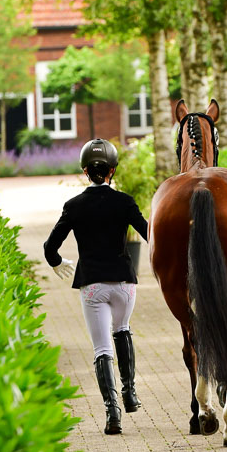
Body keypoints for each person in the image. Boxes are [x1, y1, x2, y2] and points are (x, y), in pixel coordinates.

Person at [44, 138, 149, 435]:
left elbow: (50, 246)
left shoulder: (74, 206)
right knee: (123, 329)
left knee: (102, 348)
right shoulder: (125, 202)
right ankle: (130, 392)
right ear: (112, 170)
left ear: (85, 170)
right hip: (124, 283)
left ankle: (112, 412)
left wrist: (57, 262)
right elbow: (149, 233)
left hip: (92, 285)